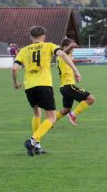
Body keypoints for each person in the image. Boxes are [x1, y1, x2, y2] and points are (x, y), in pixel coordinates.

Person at [12, 26, 81, 156]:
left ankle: (37, 146)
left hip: (29, 86)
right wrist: (76, 71)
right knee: (52, 117)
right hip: (44, 84)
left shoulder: (23, 50)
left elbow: (14, 68)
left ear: (31, 37)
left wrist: (15, 83)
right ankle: (32, 141)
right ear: (44, 36)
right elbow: (63, 55)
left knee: (37, 113)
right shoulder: (49, 45)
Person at [56, 38, 95, 126]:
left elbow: (72, 61)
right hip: (68, 86)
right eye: (71, 47)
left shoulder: (63, 57)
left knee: (66, 109)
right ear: (66, 46)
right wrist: (70, 47)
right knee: (91, 99)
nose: (73, 49)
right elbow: (65, 51)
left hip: (64, 87)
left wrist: (84, 60)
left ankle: (50, 121)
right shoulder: (63, 53)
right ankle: (73, 115)